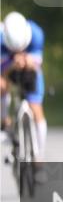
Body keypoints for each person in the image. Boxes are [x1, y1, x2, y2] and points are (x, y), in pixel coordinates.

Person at [1, 11, 48, 161]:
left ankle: (38, 157)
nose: (19, 51)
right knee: (1, 86)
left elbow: (37, 65)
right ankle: (5, 121)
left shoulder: (36, 34)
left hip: (29, 68)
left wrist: (28, 62)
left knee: (36, 108)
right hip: (7, 66)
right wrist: (11, 66)